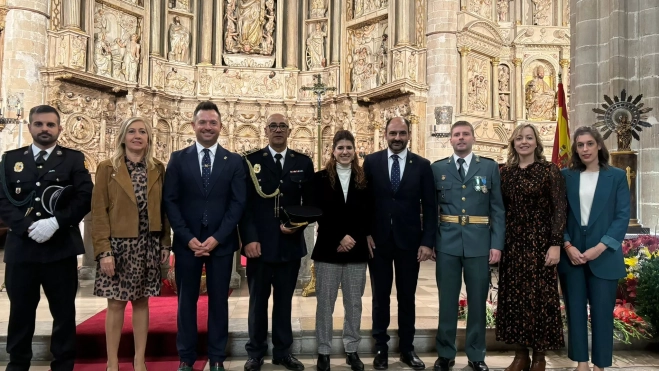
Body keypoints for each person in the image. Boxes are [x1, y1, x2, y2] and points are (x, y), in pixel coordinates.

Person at [0, 104, 93, 371]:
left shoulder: (73, 159)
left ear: (59, 129)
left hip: (60, 249)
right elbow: (2, 200)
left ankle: (63, 365)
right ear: (29, 127)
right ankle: (17, 365)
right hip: (22, 249)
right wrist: (27, 227)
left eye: (50, 125)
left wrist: (56, 222)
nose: (45, 129)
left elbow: (85, 195)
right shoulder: (10, 160)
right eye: (39, 124)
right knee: (20, 313)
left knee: (63, 314)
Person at [163, 101, 246, 371]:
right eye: (203, 122)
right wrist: (187, 237)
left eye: (212, 122)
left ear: (221, 127)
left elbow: (237, 204)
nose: (207, 127)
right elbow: (171, 201)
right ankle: (186, 358)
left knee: (219, 302)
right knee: (186, 302)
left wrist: (218, 237)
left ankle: (217, 357)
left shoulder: (234, 161)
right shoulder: (178, 158)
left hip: (220, 244)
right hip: (188, 244)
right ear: (193, 125)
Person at [91, 117, 171, 371]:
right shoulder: (107, 168)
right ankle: (112, 361)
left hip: (148, 244)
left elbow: (164, 209)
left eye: (143, 132)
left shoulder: (158, 167)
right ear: (123, 136)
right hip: (117, 247)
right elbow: (99, 212)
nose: (137, 136)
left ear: (149, 138)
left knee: (142, 302)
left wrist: (165, 244)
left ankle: (139, 359)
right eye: (132, 131)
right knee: (115, 304)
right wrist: (104, 251)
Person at [239, 113, 314, 371]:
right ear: (265, 130)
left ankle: (283, 352)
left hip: (289, 245)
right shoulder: (251, 161)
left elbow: (310, 204)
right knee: (258, 302)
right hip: (258, 246)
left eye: (283, 126)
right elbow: (244, 205)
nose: (278, 130)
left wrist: (296, 224)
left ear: (290, 131)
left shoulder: (302, 162)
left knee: (284, 302)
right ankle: (256, 353)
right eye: (273, 126)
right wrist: (249, 239)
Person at [362, 116, 436, 371]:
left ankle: (407, 348)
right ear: (385, 134)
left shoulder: (422, 165)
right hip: (378, 241)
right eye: (393, 133)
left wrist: (427, 242)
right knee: (380, 297)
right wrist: (366, 233)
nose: (397, 138)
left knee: (407, 297)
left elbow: (430, 206)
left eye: (401, 133)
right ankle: (380, 348)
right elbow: (364, 202)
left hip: (410, 242)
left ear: (409, 135)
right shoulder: (371, 162)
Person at [431, 120, 505, 371]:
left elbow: (497, 209)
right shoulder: (438, 168)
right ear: (450, 140)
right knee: (447, 301)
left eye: (465, 134)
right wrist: (430, 243)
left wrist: (497, 244)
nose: (460, 138)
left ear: (473, 138)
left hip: (479, 244)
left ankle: (476, 355)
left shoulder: (489, 167)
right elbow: (431, 211)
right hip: (447, 243)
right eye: (456, 135)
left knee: (477, 301)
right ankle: (445, 353)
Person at [495, 124, 566, 371]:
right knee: (514, 299)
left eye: (529, 138)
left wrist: (556, 244)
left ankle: (539, 357)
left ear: (537, 142)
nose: (524, 142)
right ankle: (520, 355)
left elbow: (559, 210)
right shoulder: (505, 173)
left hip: (540, 244)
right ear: (513, 143)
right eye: (519, 138)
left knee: (540, 299)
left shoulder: (550, 171)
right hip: (513, 244)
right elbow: (498, 210)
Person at [559, 126, 629, 371]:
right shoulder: (566, 175)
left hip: (604, 256)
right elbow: (558, 215)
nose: (585, 149)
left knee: (602, 314)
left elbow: (622, 217)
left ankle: (599, 365)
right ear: (575, 149)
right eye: (580, 145)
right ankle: (581, 363)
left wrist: (600, 247)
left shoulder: (617, 176)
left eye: (589, 143)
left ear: (599, 145)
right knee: (575, 312)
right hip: (572, 256)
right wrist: (567, 245)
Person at [312, 130, 371, 371]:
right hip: (328, 248)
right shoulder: (320, 178)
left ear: (354, 150)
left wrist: (353, 237)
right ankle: (324, 351)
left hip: (356, 250)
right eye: (340, 148)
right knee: (325, 303)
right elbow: (318, 212)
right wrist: (340, 236)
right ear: (333, 151)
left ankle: (352, 349)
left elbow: (369, 213)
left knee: (354, 303)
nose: (345, 152)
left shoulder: (365, 179)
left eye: (349, 148)